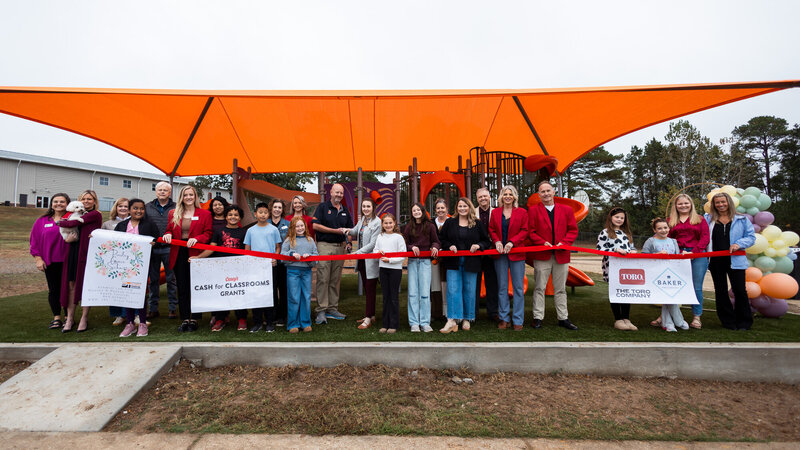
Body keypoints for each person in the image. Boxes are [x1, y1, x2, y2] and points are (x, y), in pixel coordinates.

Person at [651, 194, 710, 329]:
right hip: (676, 256)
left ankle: (696, 317)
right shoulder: (670, 221)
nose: (683, 206)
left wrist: (693, 253)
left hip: (697, 255)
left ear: (691, 204)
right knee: (672, 285)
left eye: (686, 203)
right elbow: (664, 237)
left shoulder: (700, 219)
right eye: (680, 204)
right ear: (675, 206)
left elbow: (705, 238)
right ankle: (664, 316)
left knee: (696, 287)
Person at [527, 180, 579, 330]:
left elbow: (572, 230)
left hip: (561, 255)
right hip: (542, 255)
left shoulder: (566, 210)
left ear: (554, 192)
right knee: (539, 288)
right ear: (539, 194)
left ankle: (563, 318)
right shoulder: (534, 211)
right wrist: (542, 242)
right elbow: (531, 232)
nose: (546, 194)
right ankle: (537, 317)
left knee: (560, 288)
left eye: (548, 190)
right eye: (542, 192)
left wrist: (564, 242)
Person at [162, 185, 212, 332]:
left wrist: (197, 238)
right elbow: (169, 230)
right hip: (179, 253)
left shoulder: (204, 214)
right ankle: (185, 318)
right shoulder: (173, 213)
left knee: (195, 287)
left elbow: (208, 234)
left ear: (195, 197)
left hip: (196, 252)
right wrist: (168, 234)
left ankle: (195, 318)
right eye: (186, 195)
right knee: (182, 287)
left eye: (191, 195)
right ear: (181, 197)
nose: (188, 197)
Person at [192, 204, 249, 332]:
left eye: (236, 215)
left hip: (238, 269)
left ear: (240, 218)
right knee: (221, 294)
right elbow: (212, 248)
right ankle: (220, 319)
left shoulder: (244, 232)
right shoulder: (218, 231)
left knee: (239, 293)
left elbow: (247, 251)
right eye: (230, 215)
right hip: (221, 268)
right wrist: (199, 258)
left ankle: (242, 318)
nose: (233, 217)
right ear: (226, 217)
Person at [438, 197, 491, 333]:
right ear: (456, 208)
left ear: (469, 208)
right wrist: (449, 246)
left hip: (471, 261)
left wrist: (478, 245)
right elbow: (441, 239)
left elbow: (486, 241)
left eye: (465, 206)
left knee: (469, 290)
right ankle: (452, 320)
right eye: (460, 206)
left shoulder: (477, 223)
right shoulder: (450, 222)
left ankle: (467, 318)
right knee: (453, 289)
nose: (462, 208)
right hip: (453, 261)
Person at [705, 192, 756, 330]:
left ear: (729, 202)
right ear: (714, 205)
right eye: (717, 202)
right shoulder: (708, 219)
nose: (721, 205)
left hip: (736, 260)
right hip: (715, 261)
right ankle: (728, 321)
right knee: (720, 291)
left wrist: (739, 244)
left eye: (723, 202)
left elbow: (751, 237)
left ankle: (744, 322)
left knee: (739, 290)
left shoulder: (742, 219)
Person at [115, 198, 161, 337]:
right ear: (129, 210)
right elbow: (112, 240)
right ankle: (130, 323)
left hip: (142, 265)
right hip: (124, 265)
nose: (139, 211)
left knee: (140, 294)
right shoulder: (121, 226)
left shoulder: (149, 224)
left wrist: (153, 243)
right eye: (135, 208)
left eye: (141, 208)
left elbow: (157, 239)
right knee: (127, 293)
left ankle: (141, 323)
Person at [58, 190, 103, 333]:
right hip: (73, 251)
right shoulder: (76, 214)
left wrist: (60, 221)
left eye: (90, 199)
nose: (86, 201)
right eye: (83, 199)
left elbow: (69, 223)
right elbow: (67, 226)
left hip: (87, 253)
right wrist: (67, 238)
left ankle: (84, 317)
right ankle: (70, 318)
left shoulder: (95, 214)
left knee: (85, 285)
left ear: (94, 201)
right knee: (71, 284)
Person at [312, 183, 353, 324]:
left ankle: (332, 309)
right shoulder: (322, 207)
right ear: (331, 192)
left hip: (340, 248)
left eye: (341, 193)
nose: (339, 195)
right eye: (337, 192)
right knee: (323, 278)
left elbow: (349, 230)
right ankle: (321, 310)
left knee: (335, 279)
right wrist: (334, 231)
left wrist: (348, 243)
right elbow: (315, 225)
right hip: (324, 246)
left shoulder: (345, 210)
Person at [489, 185, 529, 331]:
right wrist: (497, 241)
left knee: (518, 288)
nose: (507, 196)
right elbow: (491, 229)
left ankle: (518, 319)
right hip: (500, 254)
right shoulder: (495, 213)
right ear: (501, 196)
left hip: (517, 254)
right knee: (502, 287)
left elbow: (525, 230)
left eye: (510, 194)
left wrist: (512, 242)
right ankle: (504, 318)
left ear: (514, 197)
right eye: (505, 194)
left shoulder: (522, 212)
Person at [30, 192, 70, 330]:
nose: (58, 204)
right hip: (50, 261)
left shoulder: (72, 219)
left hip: (68, 261)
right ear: (51, 204)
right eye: (56, 201)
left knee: (68, 289)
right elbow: (34, 241)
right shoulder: (42, 221)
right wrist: (38, 259)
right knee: (54, 290)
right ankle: (57, 317)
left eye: (62, 202)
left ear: (67, 204)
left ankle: (68, 317)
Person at [642, 218, 689, 332]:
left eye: (665, 227)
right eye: (659, 228)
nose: (663, 230)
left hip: (672, 273)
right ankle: (675, 322)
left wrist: (684, 255)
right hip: (657, 273)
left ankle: (671, 322)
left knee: (671, 297)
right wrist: (656, 254)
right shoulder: (650, 241)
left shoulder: (673, 241)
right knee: (666, 297)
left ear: (669, 228)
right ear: (654, 229)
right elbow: (643, 256)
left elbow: (677, 256)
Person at [597, 207, 638, 331]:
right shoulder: (605, 232)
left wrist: (633, 251)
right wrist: (614, 250)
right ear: (611, 218)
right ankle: (618, 319)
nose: (619, 220)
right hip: (611, 266)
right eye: (617, 217)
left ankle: (626, 318)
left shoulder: (627, 233)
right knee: (615, 292)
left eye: (622, 218)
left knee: (626, 292)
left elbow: (631, 247)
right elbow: (599, 249)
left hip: (626, 267)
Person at [402, 202, 441, 332]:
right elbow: (404, 243)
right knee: (413, 293)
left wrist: (435, 247)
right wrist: (411, 247)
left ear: (423, 211)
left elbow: (436, 241)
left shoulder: (430, 226)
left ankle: (425, 322)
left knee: (424, 293)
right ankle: (414, 322)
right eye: (414, 210)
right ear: (412, 213)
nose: (417, 212)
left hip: (425, 262)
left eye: (418, 210)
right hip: (413, 262)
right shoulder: (408, 227)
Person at [244, 202, 283, 332]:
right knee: (256, 293)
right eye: (260, 212)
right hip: (255, 268)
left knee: (270, 294)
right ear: (255, 214)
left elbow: (278, 247)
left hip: (270, 267)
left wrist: (275, 258)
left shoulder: (273, 229)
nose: (263, 215)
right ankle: (257, 322)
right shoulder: (250, 230)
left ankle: (270, 321)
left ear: (269, 213)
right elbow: (247, 249)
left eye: (265, 212)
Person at [145, 181, 178, 319]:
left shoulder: (177, 207)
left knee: (171, 279)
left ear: (169, 192)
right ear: (156, 191)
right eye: (160, 190)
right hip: (152, 247)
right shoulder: (147, 207)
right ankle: (153, 309)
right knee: (153, 279)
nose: (162, 192)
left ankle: (172, 308)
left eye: (165, 190)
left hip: (170, 247)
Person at [281, 216, 318, 333]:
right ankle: (293, 324)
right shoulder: (288, 240)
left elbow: (316, 256)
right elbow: (282, 256)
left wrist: (310, 258)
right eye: (297, 226)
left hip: (306, 271)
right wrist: (291, 254)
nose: (300, 228)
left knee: (306, 297)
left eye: (302, 225)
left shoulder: (310, 240)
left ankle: (305, 323)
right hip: (293, 272)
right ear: (293, 227)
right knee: (294, 297)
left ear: (305, 226)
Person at [349, 198, 381, 329]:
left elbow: (373, 244)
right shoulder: (362, 220)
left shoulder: (377, 222)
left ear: (373, 207)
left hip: (370, 260)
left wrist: (357, 252)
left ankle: (368, 318)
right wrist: (344, 229)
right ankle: (371, 315)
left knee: (370, 288)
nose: (366, 209)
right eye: (364, 206)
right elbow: (355, 231)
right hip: (362, 260)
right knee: (368, 289)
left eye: (368, 206)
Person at [375, 213, 406, 334]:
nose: (388, 225)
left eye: (390, 223)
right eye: (385, 223)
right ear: (382, 224)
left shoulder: (398, 237)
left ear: (394, 223)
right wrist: (379, 251)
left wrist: (390, 260)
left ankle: (393, 324)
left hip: (395, 270)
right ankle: (385, 323)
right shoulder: (380, 236)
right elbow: (375, 249)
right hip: (383, 269)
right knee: (385, 297)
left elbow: (402, 254)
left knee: (393, 297)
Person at [102, 197, 130, 325]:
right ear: (116, 208)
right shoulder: (108, 224)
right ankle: (118, 315)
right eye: (120, 206)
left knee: (129, 287)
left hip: (130, 261)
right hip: (113, 261)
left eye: (126, 206)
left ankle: (131, 314)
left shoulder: (134, 222)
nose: (123, 208)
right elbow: (102, 240)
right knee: (114, 287)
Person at [475, 187, 499, 322]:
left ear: (489, 197)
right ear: (477, 199)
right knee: (475, 284)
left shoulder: (496, 212)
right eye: (480, 197)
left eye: (485, 196)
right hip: (476, 253)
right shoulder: (472, 213)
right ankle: (474, 312)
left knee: (492, 283)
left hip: (492, 251)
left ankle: (493, 312)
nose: (483, 199)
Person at [268, 198, 290, 327]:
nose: (277, 209)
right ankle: (272, 315)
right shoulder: (265, 223)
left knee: (283, 290)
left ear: (282, 210)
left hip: (283, 263)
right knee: (270, 290)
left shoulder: (287, 224)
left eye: (279, 208)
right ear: (271, 208)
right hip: (269, 263)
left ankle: (282, 316)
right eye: (275, 207)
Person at [431, 198, 450, 319]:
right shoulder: (431, 223)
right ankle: (436, 312)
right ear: (435, 210)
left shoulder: (452, 222)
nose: (440, 210)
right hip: (434, 259)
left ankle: (447, 312)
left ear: (447, 209)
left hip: (449, 258)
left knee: (447, 284)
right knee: (434, 285)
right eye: (438, 208)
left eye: (442, 208)